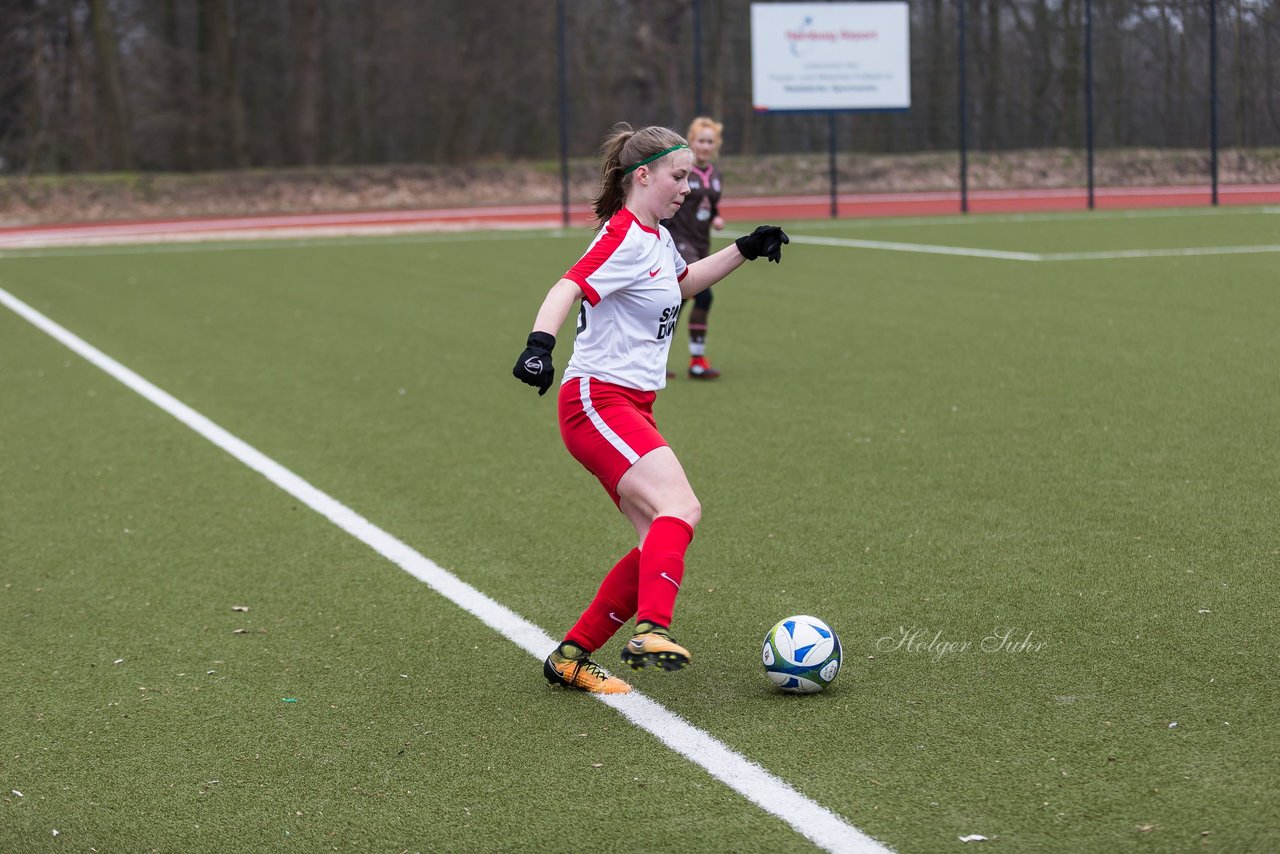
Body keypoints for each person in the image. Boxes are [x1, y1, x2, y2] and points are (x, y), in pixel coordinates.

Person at [511, 123, 788, 694]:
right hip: (596, 400)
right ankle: (652, 629)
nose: (688, 187)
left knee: (658, 537)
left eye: (689, 176)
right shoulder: (623, 237)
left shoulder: (655, 239)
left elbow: (682, 284)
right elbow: (568, 286)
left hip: (630, 404)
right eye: (678, 176)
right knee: (681, 508)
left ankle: (571, 657)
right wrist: (539, 346)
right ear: (644, 176)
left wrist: (744, 248)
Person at [663, 116, 726, 379]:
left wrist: (716, 217)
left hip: (700, 243)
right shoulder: (682, 171)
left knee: (677, 301)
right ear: (691, 142)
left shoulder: (716, 175)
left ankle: (655, 359)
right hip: (679, 240)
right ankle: (697, 361)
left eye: (710, 141)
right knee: (703, 295)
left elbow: (709, 204)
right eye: (701, 140)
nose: (705, 146)